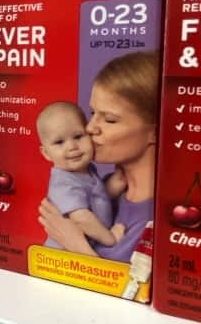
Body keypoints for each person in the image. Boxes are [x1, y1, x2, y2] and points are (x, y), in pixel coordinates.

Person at [38, 51, 159, 262]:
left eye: (110, 120)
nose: (90, 127)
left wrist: (76, 245)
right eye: (93, 113)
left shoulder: (153, 220)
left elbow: (128, 291)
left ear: (155, 132)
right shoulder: (108, 188)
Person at [36, 101, 124, 249]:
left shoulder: (87, 169)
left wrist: (110, 189)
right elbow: (82, 219)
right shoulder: (62, 184)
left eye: (78, 136)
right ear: (46, 153)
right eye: (59, 142)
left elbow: (93, 201)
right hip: (63, 255)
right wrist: (110, 239)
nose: (72, 147)